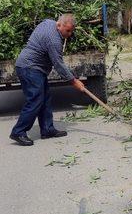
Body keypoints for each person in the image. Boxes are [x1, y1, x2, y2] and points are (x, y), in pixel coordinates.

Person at [9, 14, 85, 146]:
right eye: (67, 30)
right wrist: (74, 81)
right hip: (29, 68)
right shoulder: (54, 40)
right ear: (59, 25)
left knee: (45, 99)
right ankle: (18, 131)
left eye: (71, 31)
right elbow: (58, 64)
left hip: (34, 68)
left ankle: (47, 129)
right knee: (35, 100)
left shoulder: (48, 22)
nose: (69, 34)